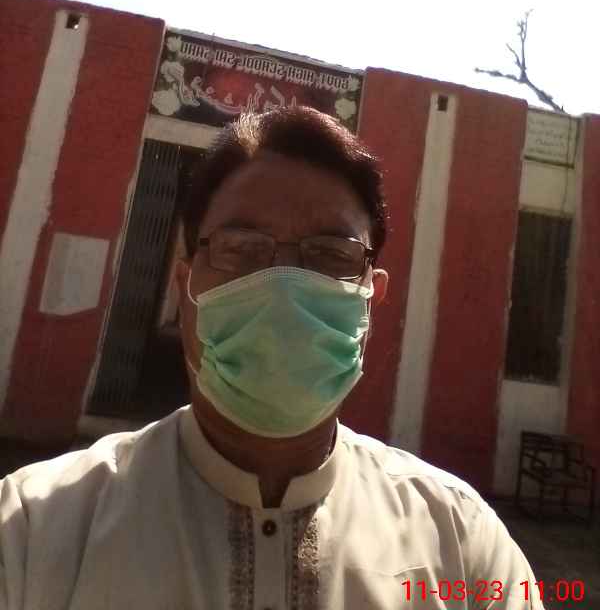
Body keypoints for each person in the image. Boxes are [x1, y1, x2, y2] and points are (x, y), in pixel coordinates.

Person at [0, 107, 544, 609]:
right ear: (185, 285)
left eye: (330, 254)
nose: (283, 289)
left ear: (371, 297)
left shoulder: (461, 541)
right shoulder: (33, 531)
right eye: (241, 249)